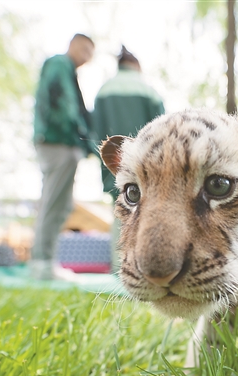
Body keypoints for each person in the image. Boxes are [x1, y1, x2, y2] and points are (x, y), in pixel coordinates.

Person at [93, 46, 165, 272]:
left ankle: (121, 269)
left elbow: (96, 132)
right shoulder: (148, 90)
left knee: (120, 210)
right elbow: (165, 131)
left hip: (115, 163)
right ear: (136, 65)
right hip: (149, 168)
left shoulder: (103, 90)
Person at [30, 33, 95, 281]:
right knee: (54, 202)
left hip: (61, 141)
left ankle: (44, 260)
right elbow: (60, 103)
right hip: (58, 141)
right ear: (73, 45)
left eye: (91, 53)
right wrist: (79, 134)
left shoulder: (69, 71)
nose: (87, 56)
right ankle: (43, 263)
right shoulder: (59, 65)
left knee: (61, 203)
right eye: (85, 49)